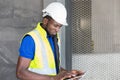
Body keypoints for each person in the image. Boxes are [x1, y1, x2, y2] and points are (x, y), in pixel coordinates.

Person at [16, 2, 84, 80]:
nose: (58, 29)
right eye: (55, 25)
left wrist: (67, 74)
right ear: (45, 21)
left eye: (60, 26)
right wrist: (53, 78)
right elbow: (20, 72)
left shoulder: (54, 38)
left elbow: (51, 68)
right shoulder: (31, 39)